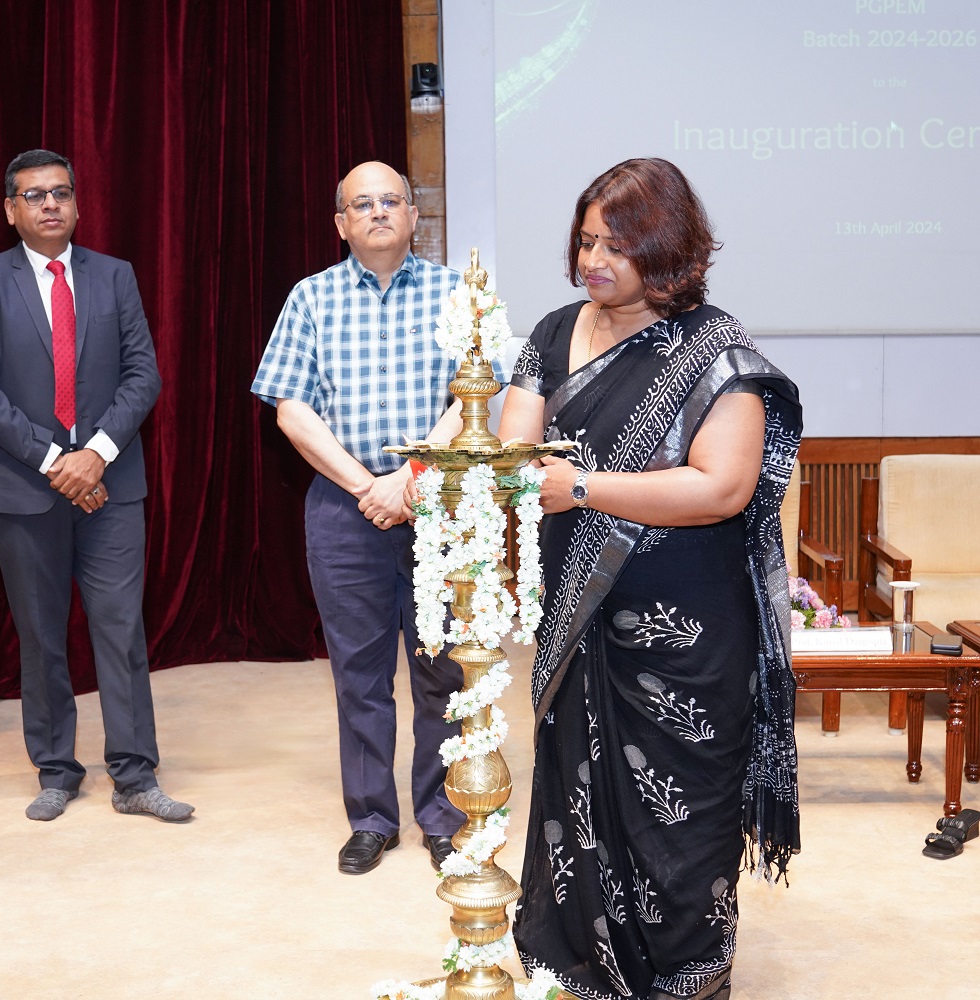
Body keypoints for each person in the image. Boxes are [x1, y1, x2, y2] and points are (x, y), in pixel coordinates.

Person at [501, 158, 801, 1000]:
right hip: (580, 612)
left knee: (682, 817)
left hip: (685, 634)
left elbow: (722, 487)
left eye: (616, 245)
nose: (593, 259)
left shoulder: (716, 352)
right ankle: (585, 973)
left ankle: (683, 978)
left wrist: (584, 486)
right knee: (577, 796)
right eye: (585, 240)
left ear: (667, 251)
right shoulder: (555, 332)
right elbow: (519, 441)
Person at [0, 149, 192, 823]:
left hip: (111, 484)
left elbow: (143, 375)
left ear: (78, 205)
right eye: (34, 195)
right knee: (41, 634)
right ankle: (56, 769)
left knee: (121, 631)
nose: (50, 204)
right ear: (11, 210)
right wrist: (59, 460)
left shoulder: (114, 276)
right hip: (22, 489)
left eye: (61, 192)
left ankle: (136, 776)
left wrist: (97, 454)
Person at [251, 160, 467, 875]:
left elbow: (477, 400)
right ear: (340, 223)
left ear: (414, 216)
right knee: (360, 674)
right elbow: (291, 409)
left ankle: (440, 814)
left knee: (440, 670)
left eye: (390, 201)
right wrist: (368, 487)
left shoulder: (456, 293)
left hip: (436, 505)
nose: (377, 212)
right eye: (360, 204)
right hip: (344, 511)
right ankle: (372, 818)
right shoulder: (310, 298)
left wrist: (408, 480)